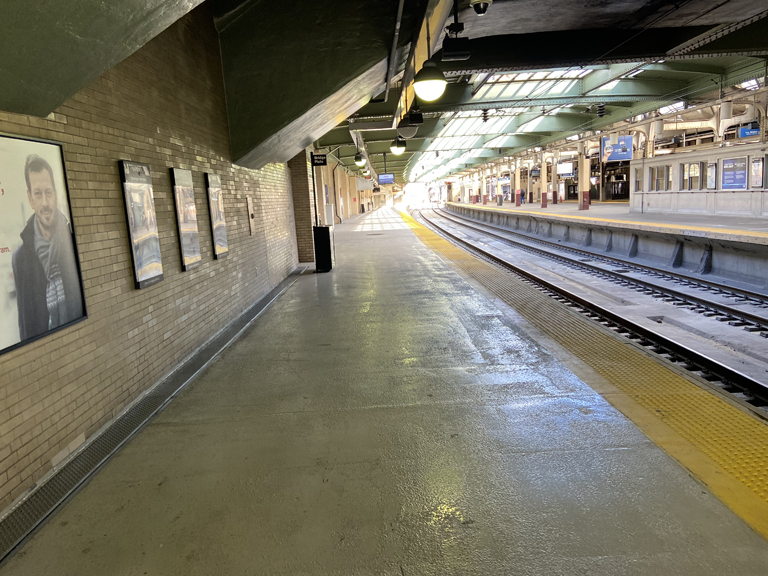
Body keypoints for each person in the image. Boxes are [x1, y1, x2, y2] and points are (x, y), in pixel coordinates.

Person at [12, 155, 83, 340]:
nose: (44, 203)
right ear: (30, 198)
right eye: (37, 193)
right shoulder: (21, 259)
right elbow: (25, 325)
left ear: (56, 194)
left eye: (48, 192)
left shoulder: (72, 243)